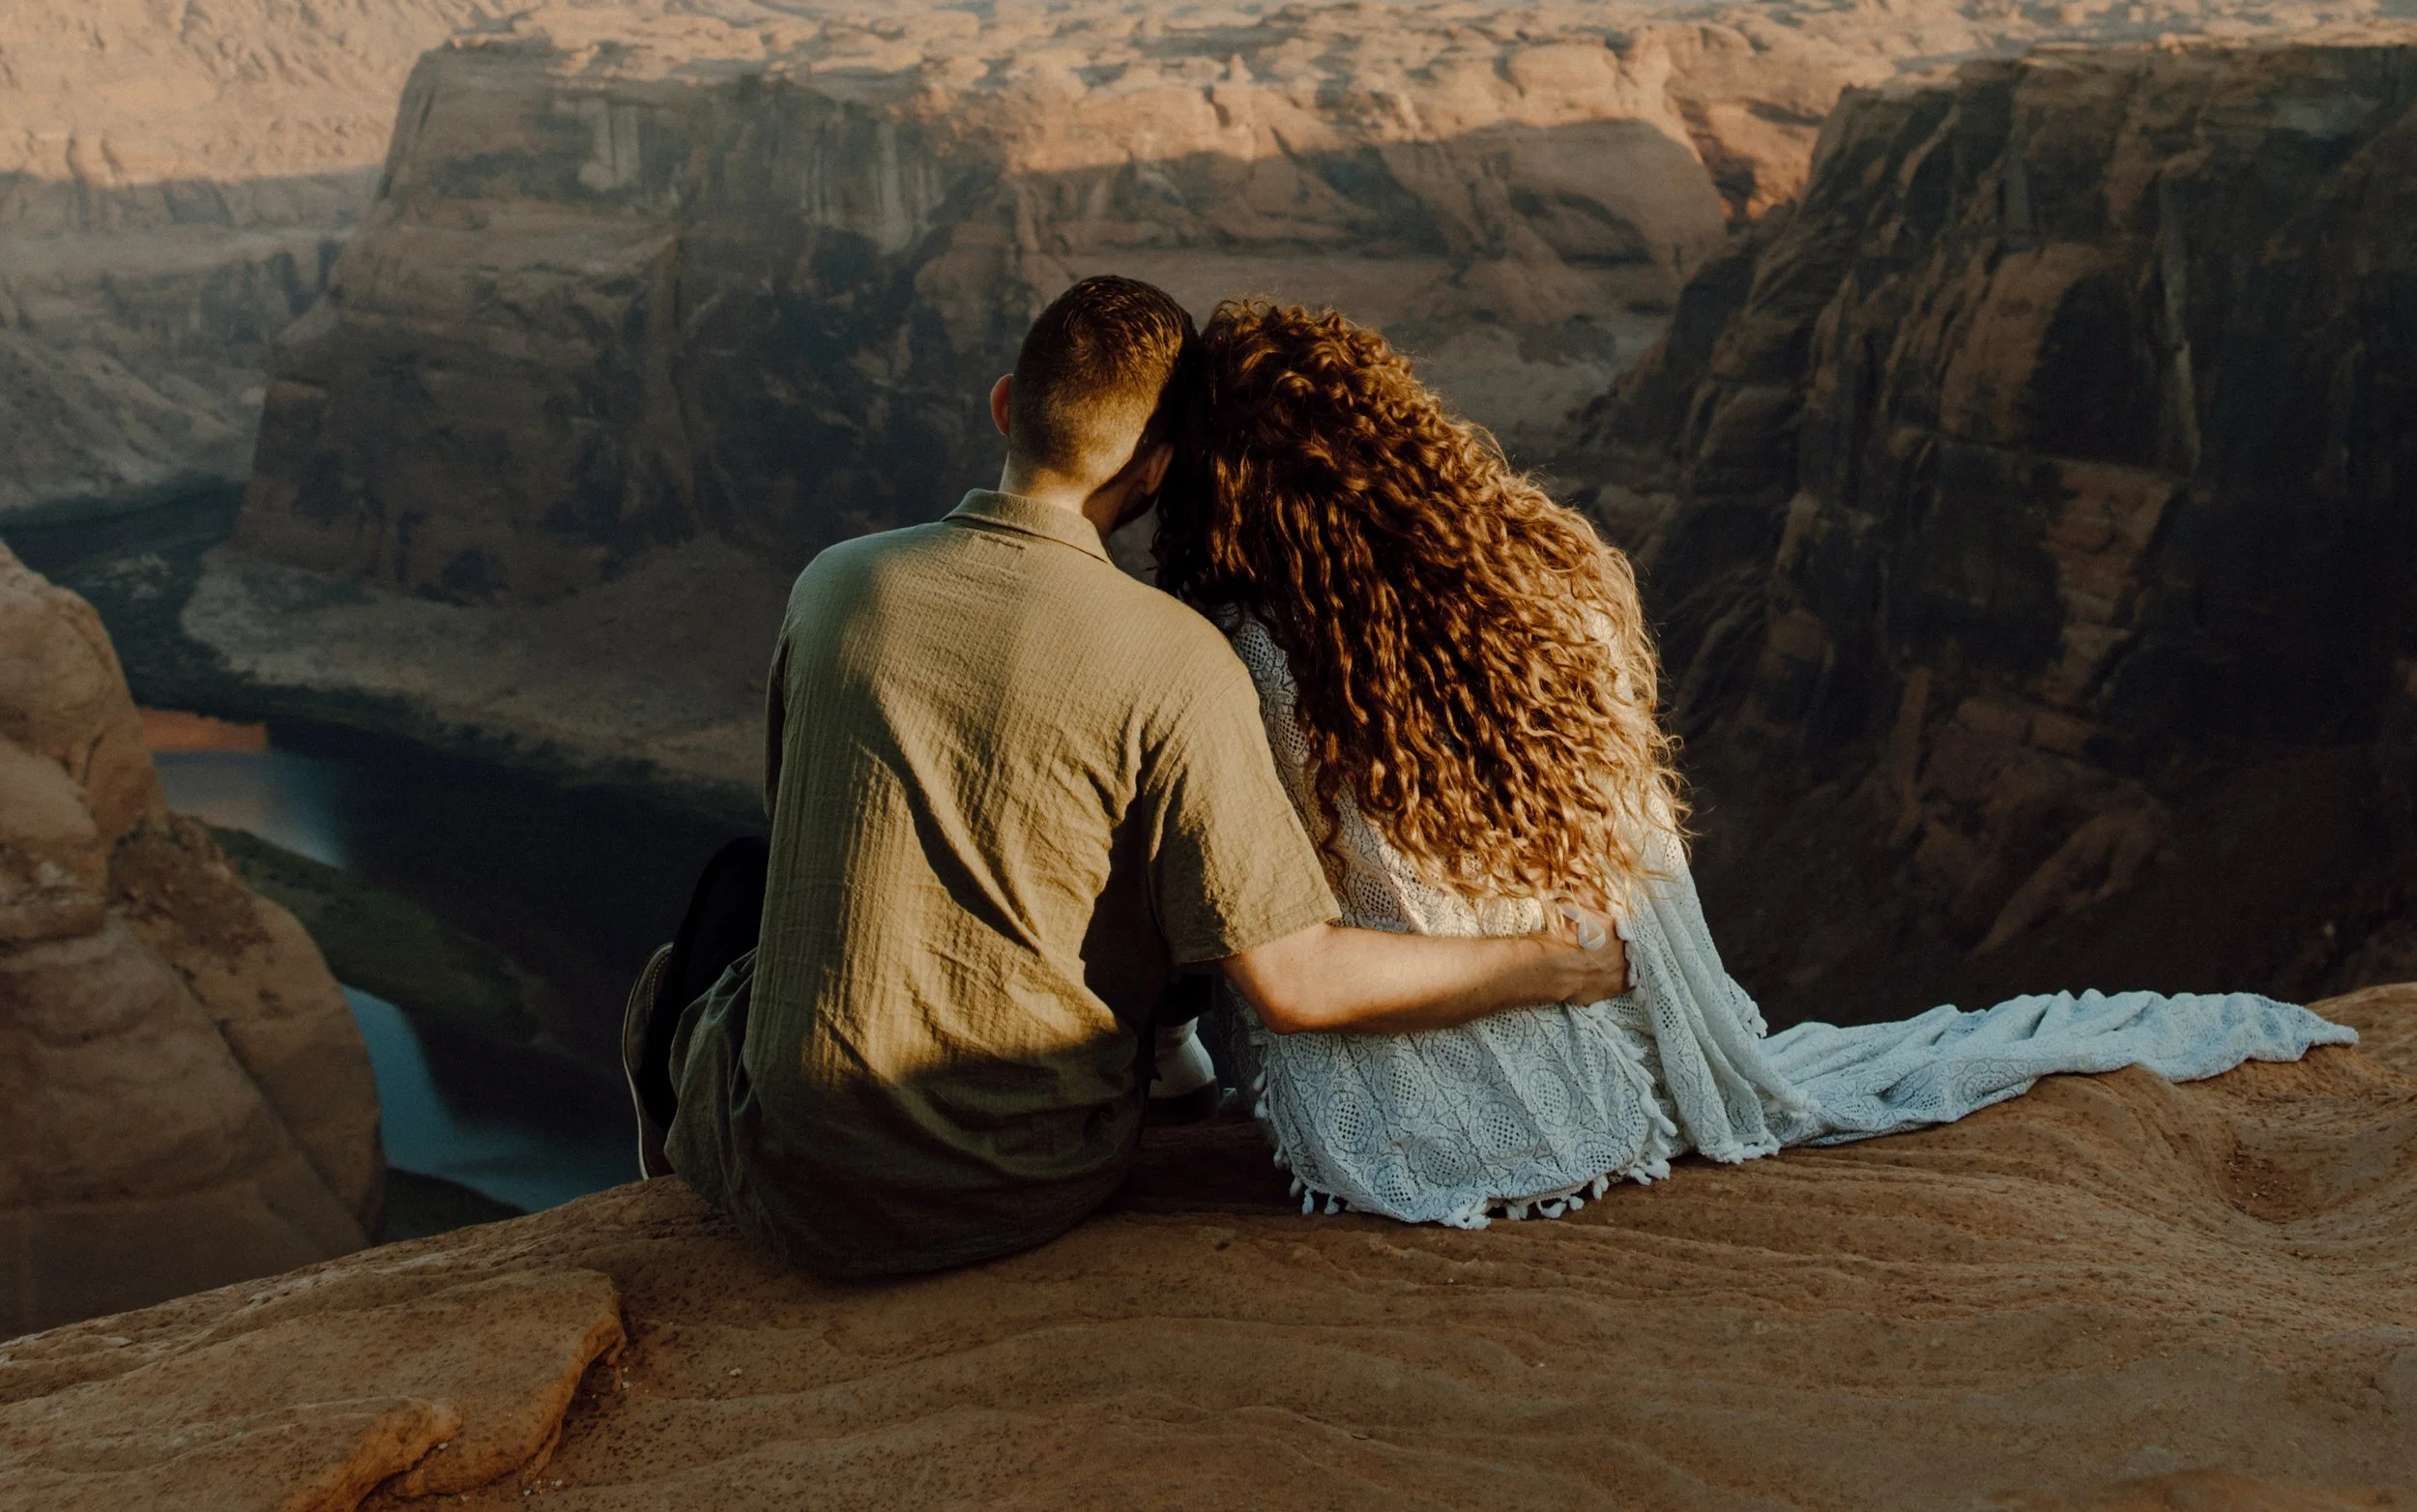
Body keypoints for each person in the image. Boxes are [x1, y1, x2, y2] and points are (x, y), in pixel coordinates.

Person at [1152, 298, 2357, 1228]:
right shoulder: (1549, 579)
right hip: (1619, 1072)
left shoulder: (1252, 657)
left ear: (1221, 485)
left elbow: (1278, 939)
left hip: (1410, 1135)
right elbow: (1630, 851)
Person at [621, 276, 1631, 1277]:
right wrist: (1553, 964)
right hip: (1020, 1177)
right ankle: (1173, 1073)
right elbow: (1297, 982)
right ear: (1156, 470)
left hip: (786, 1175)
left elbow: (811, 826)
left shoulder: (836, 584)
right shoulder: (1179, 659)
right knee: (1175, 864)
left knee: (733, 892)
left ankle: (665, 1173)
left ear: (1005, 404)